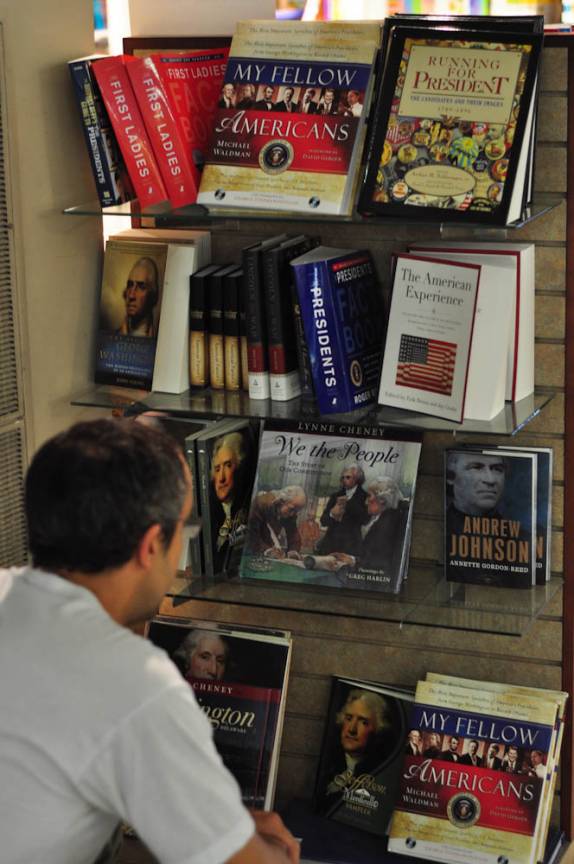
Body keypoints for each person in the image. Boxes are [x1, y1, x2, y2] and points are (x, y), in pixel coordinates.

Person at [0, 418, 299, 864]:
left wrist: (214, 826)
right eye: (184, 528)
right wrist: (272, 850)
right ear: (149, 546)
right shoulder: (134, 683)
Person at [317, 689, 389, 811]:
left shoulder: (381, 772)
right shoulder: (328, 764)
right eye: (349, 718)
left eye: (363, 722)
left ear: (378, 729)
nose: (352, 729)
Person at [209, 430, 252, 574]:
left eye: (228, 466)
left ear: (239, 467)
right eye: (217, 469)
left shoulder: (248, 506)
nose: (221, 478)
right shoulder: (206, 509)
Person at [355, 477, 408, 573]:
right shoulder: (384, 518)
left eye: (369, 496)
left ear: (382, 499)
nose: (366, 502)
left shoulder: (387, 524)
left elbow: (377, 561)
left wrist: (352, 561)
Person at [316, 465, 368, 557]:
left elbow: (365, 520)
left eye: (348, 477)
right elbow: (323, 521)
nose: (344, 480)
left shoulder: (365, 496)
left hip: (351, 545)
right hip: (331, 544)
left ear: (357, 479)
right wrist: (332, 513)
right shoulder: (335, 496)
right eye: (343, 477)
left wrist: (349, 503)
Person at [245, 486, 306, 559]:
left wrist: (293, 551)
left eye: (296, 511)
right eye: (291, 509)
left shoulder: (290, 512)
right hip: (249, 550)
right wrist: (267, 550)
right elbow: (251, 535)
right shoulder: (261, 503)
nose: (292, 514)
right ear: (282, 501)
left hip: (268, 551)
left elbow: (293, 534)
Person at [117, 256, 159, 337]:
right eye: (130, 285)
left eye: (141, 287)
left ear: (152, 295)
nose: (131, 295)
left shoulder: (162, 337)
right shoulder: (112, 338)